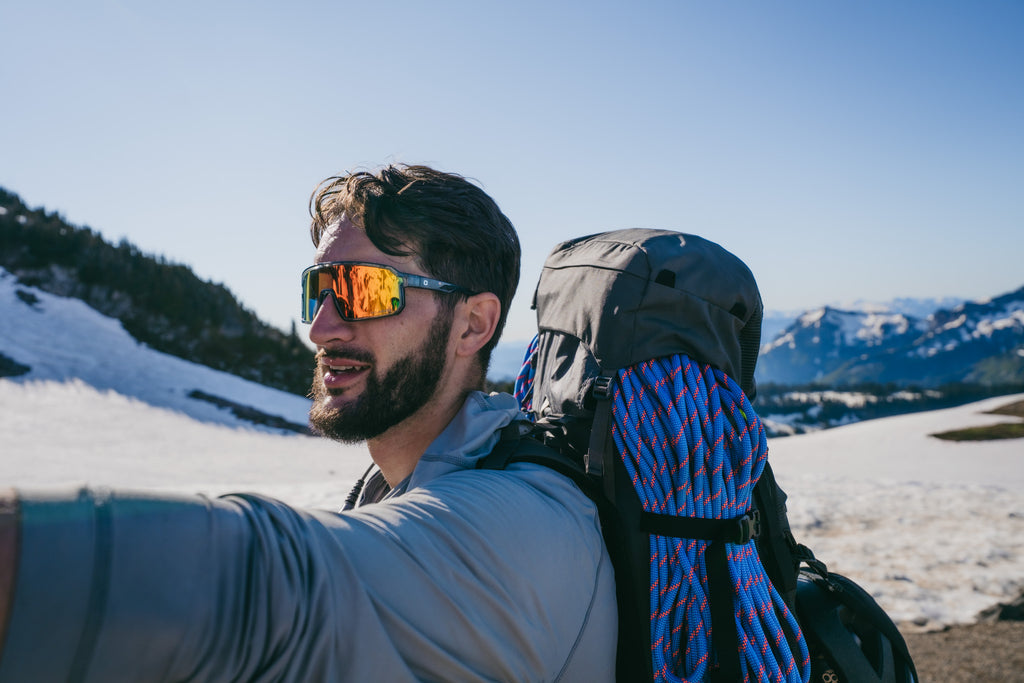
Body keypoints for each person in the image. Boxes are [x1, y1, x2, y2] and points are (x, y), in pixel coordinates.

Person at [0, 164, 617, 682]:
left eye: (363, 290)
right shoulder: (399, 481)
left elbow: (271, 587)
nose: (322, 327)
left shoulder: (522, 521)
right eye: (319, 289)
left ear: (474, 326)